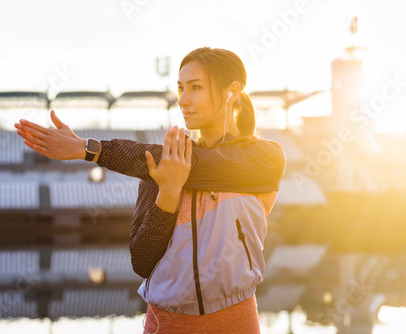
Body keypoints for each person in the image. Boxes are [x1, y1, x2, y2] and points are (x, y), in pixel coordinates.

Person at [15, 46, 286, 333]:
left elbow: (206, 164)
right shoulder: (160, 167)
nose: (183, 100)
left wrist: (89, 148)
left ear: (232, 92)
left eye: (195, 88)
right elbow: (143, 261)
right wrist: (168, 195)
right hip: (165, 326)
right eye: (180, 88)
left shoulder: (264, 159)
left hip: (236, 324)